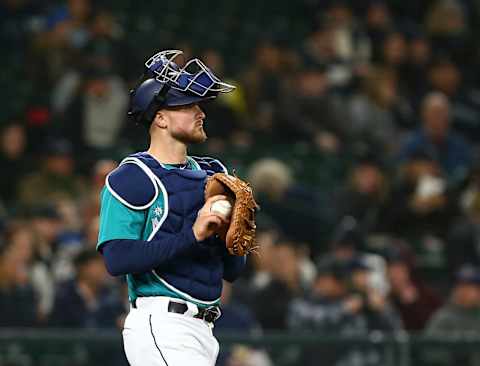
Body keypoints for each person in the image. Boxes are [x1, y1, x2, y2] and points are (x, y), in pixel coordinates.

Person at [96, 49, 247, 366]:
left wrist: (234, 237)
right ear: (160, 117)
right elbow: (117, 259)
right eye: (187, 105)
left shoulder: (213, 173)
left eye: (199, 104)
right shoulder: (133, 177)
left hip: (205, 329)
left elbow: (232, 272)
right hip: (161, 323)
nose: (200, 112)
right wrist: (192, 234)